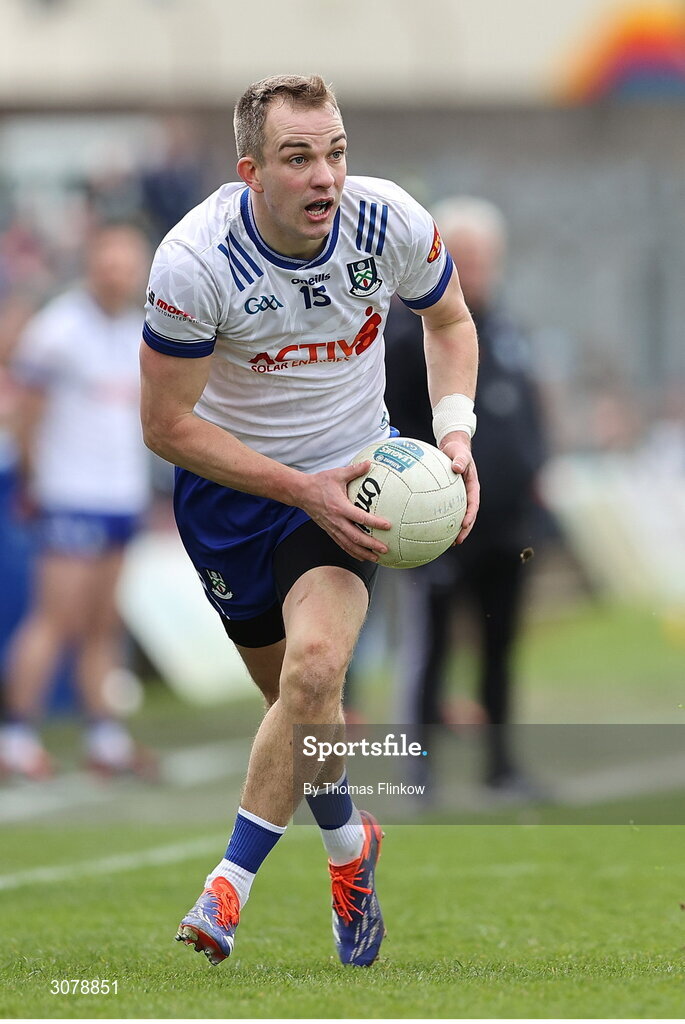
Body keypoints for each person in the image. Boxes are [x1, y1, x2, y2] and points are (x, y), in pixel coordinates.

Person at [140, 74, 479, 968]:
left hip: (356, 485)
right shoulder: (194, 263)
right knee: (305, 711)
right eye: (298, 158)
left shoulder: (387, 222)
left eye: (334, 152)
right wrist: (298, 488)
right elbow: (165, 426)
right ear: (251, 171)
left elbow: (448, 319)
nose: (324, 175)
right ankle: (348, 846)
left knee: (317, 667)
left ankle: (226, 890)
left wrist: (454, 430)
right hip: (232, 496)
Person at [384, 197, 548, 793]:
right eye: (465, 256)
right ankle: (418, 769)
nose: (476, 268)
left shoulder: (504, 330)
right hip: (441, 521)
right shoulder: (408, 334)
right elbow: (393, 423)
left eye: (483, 257)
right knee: (429, 648)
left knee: (500, 646)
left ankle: (501, 765)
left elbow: (526, 413)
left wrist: (537, 478)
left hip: (507, 521)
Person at [0, 223, 154, 781]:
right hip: (69, 495)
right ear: (93, 264)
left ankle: (105, 737)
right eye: (110, 262)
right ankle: (16, 735)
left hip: (120, 496)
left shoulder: (139, 329)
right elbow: (24, 413)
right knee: (54, 619)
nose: (119, 273)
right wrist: (33, 482)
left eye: (128, 263)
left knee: (103, 623)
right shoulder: (58, 329)